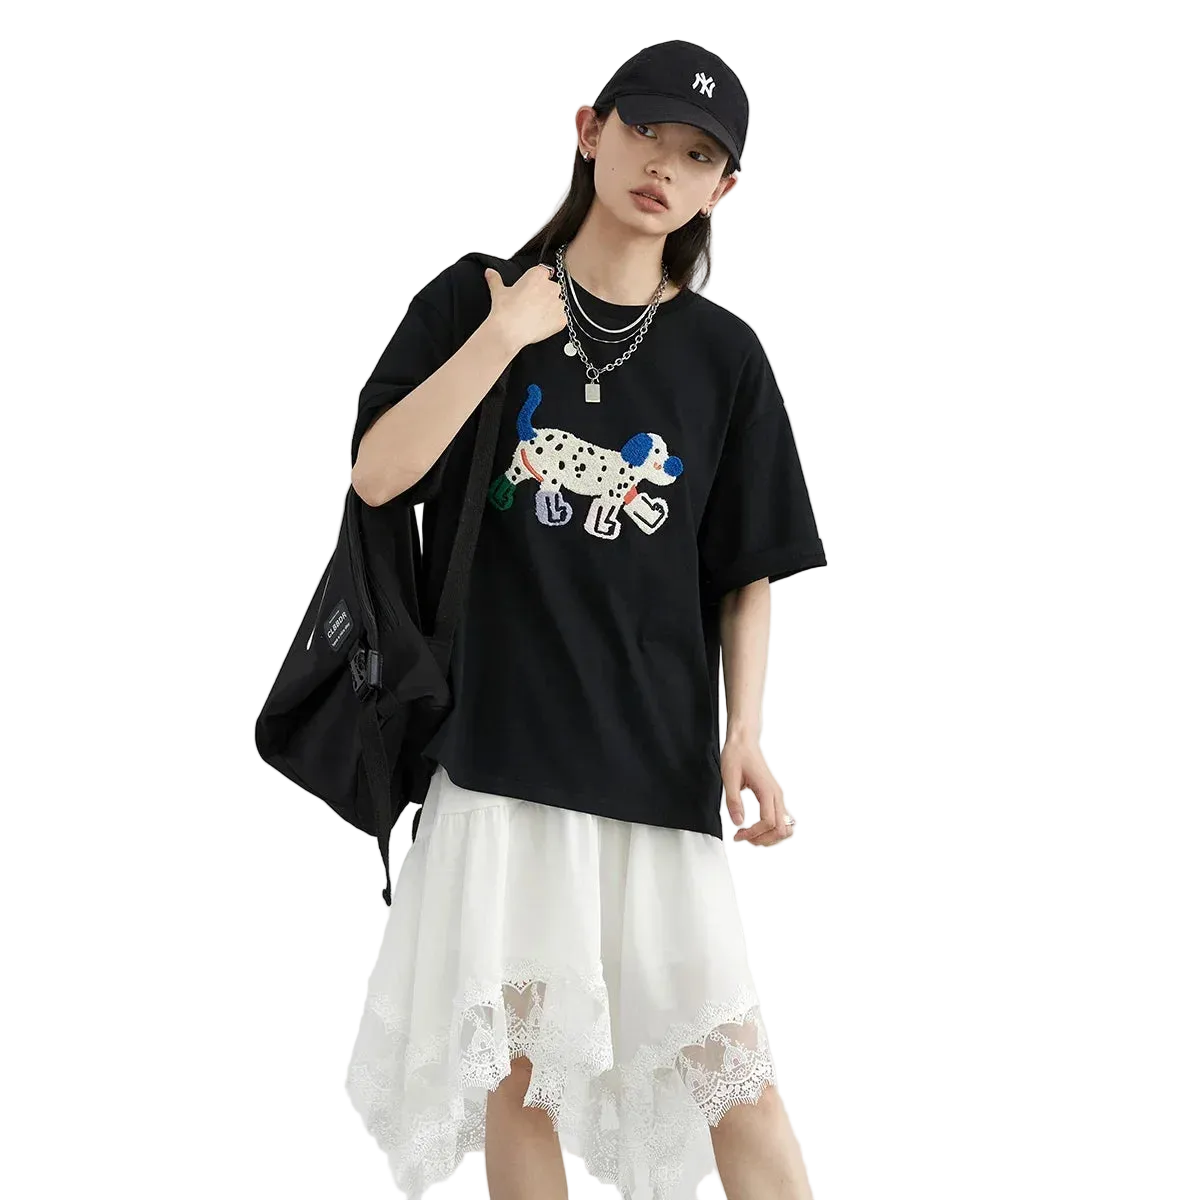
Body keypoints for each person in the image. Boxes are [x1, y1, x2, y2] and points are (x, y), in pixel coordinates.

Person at [342, 40, 825, 1200]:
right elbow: (376, 474)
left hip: (655, 760)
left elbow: (746, 569)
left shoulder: (725, 356)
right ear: (589, 131)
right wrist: (503, 338)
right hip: (500, 757)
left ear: (722, 189)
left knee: (737, 1084)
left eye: (698, 155)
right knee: (520, 1084)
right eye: (647, 132)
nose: (664, 166)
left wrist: (745, 735)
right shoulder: (475, 299)